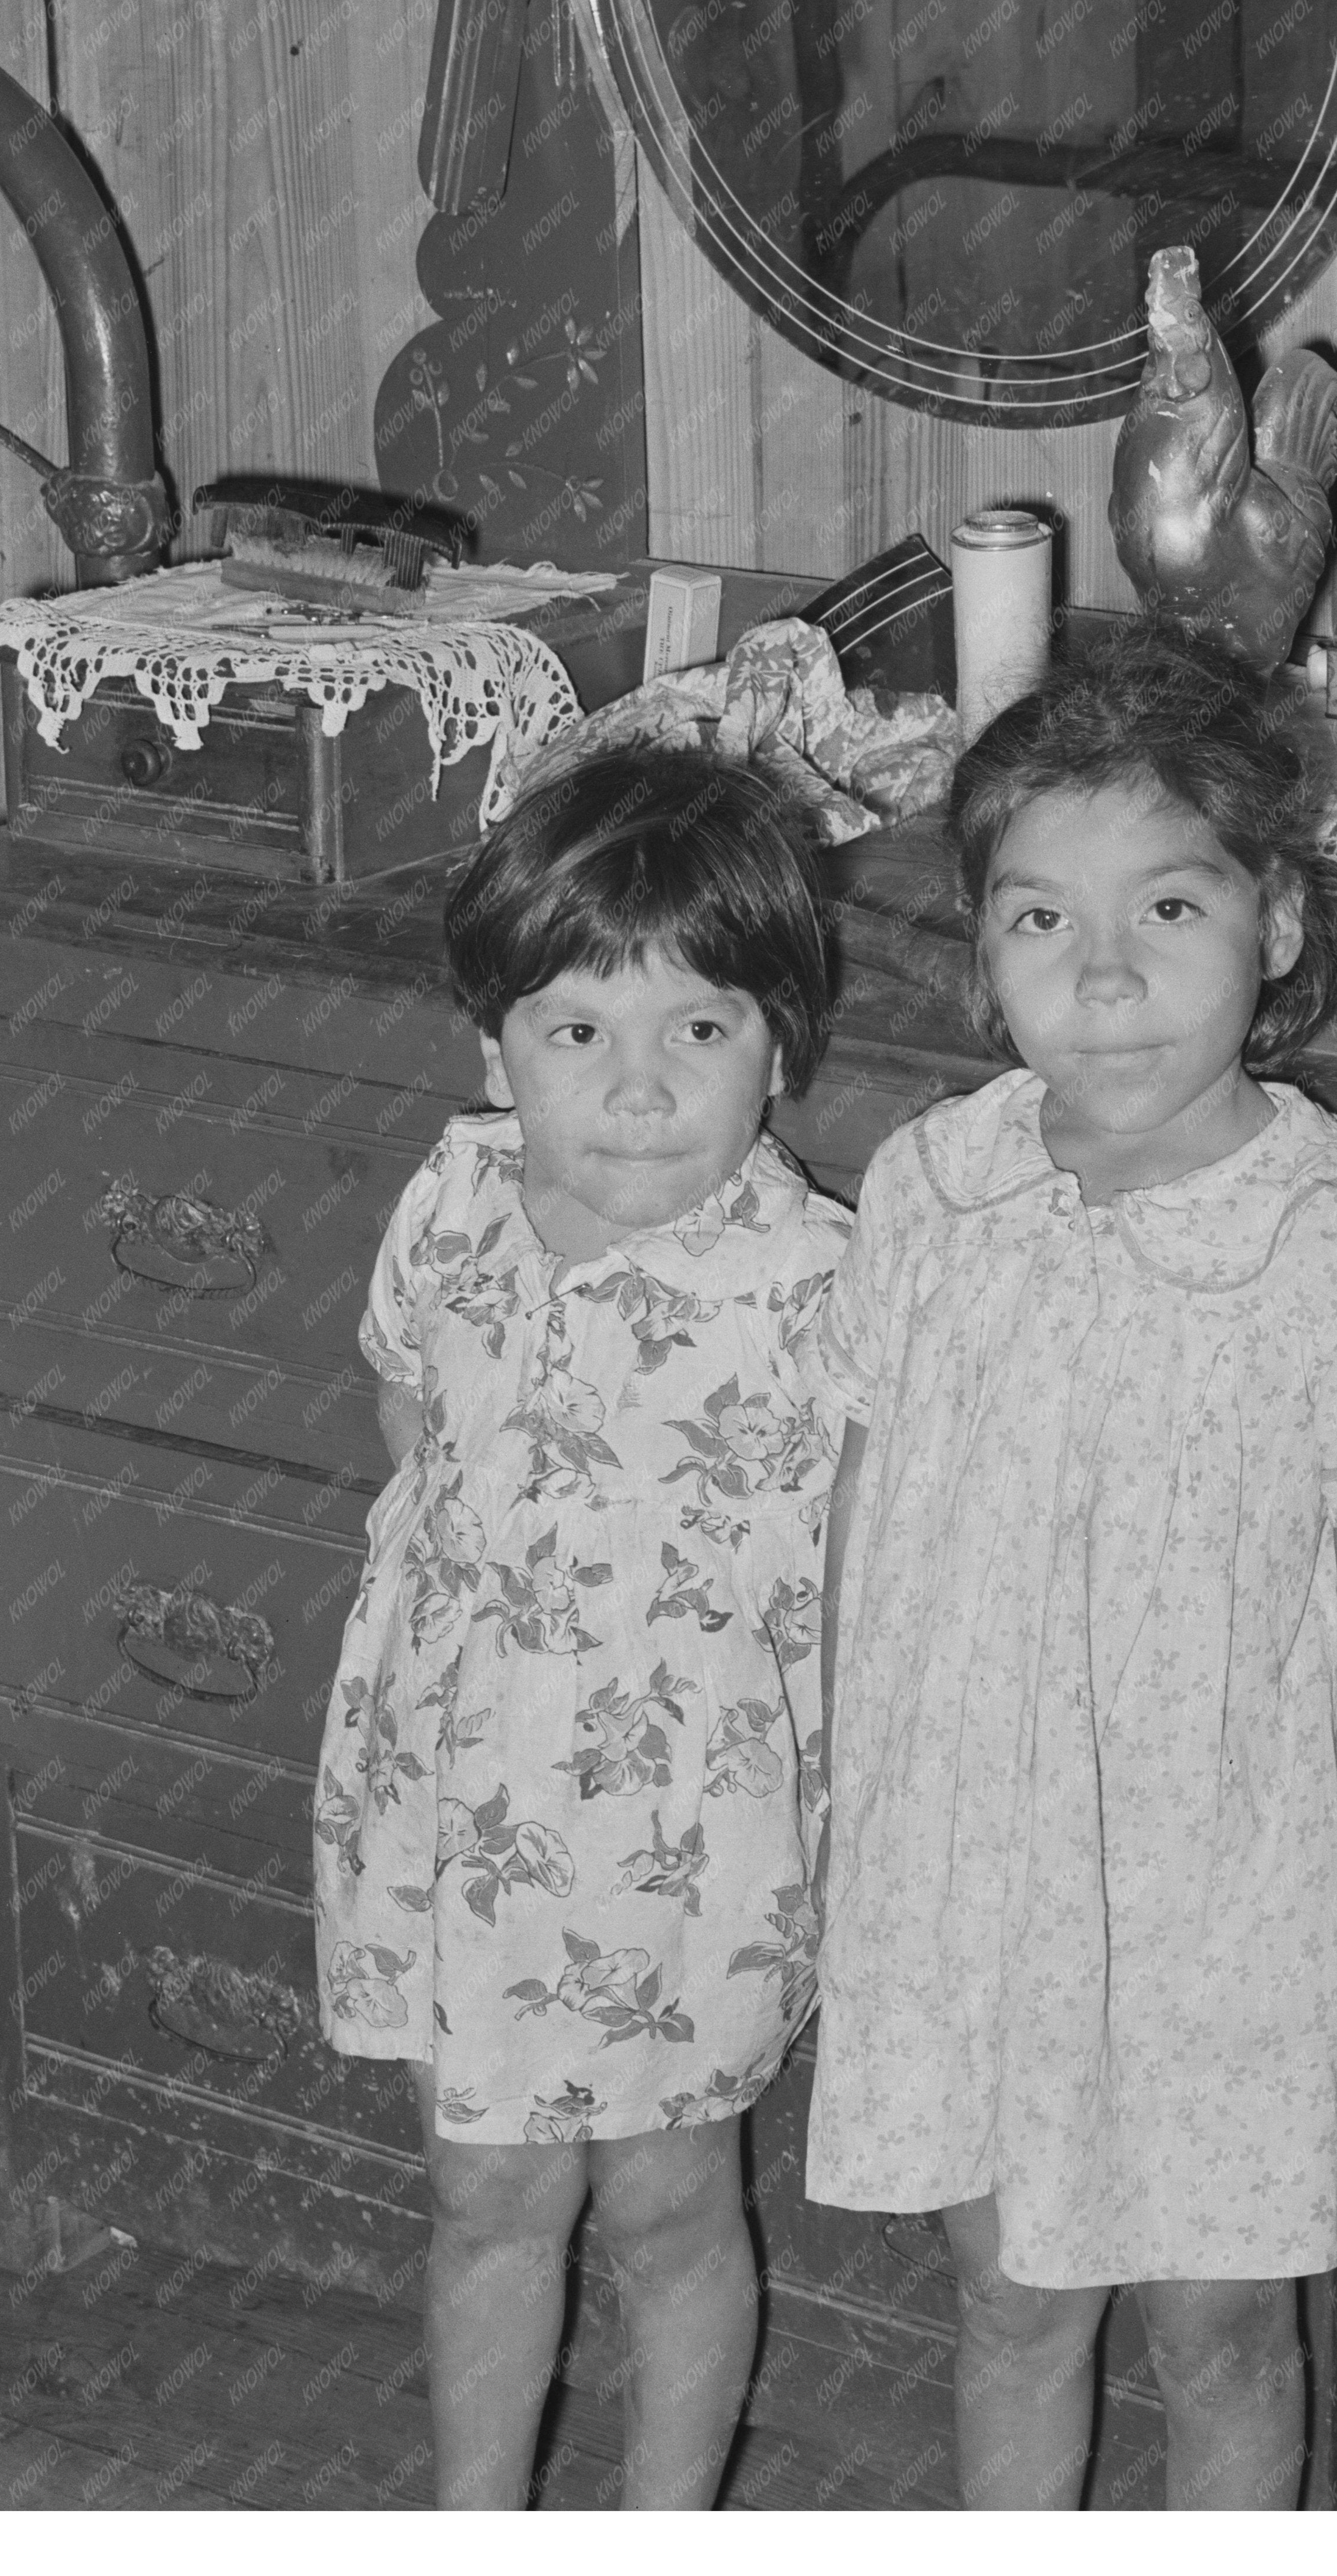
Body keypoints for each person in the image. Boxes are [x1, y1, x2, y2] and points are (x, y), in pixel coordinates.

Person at [803, 621, 1337, 2509]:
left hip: (1221, 1910)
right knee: (1008, 2299)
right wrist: (851, 1822)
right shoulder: (936, 1189)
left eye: (1166, 906)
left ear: (1271, 919)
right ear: (982, 941)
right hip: (974, 1877)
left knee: (1221, 2330)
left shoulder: (1335, 1260)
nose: (1101, 975)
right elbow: (866, 1514)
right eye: (1037, 920)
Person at [311, 744, 850, 2508]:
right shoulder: (454, 1202)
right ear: (495, 1049)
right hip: (458, 1814)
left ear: (781, 1043)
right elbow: (413, 1420)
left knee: (672, 2196)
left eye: (699, 1029)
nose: (638, 1085)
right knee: (486, 2192)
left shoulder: (823, 1286)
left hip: (684, 1842)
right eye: (577, 1030)